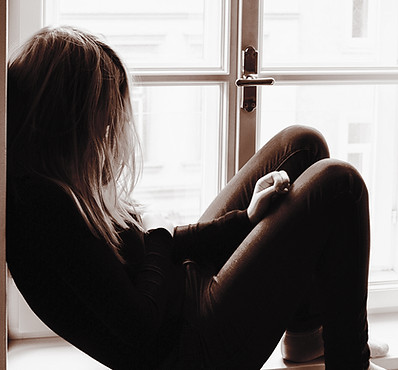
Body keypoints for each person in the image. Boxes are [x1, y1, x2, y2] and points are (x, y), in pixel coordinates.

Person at [6, 26, 387, 370]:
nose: (110, 132)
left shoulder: (54, 185)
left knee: (301, 144)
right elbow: (141, 326)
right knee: (339, 183)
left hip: (186, 298)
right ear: (67, 123)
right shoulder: (45, 211)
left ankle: (305, 335)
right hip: (194, 349)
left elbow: (150, 256)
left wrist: (247, 219)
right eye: (103, 120)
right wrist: (157, 236)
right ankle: (351, 361)